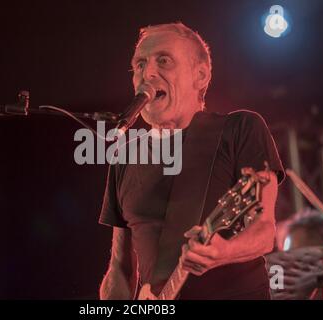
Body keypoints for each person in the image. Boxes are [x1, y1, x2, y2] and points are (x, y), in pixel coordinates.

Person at [98, 22, 285, 300]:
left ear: (200, 75)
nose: (147, 73)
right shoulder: (124, 155)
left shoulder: (240, 128)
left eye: (164, 60)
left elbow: (264, 230)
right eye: (139, 64)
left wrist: (224, 252)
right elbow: (120, 266)